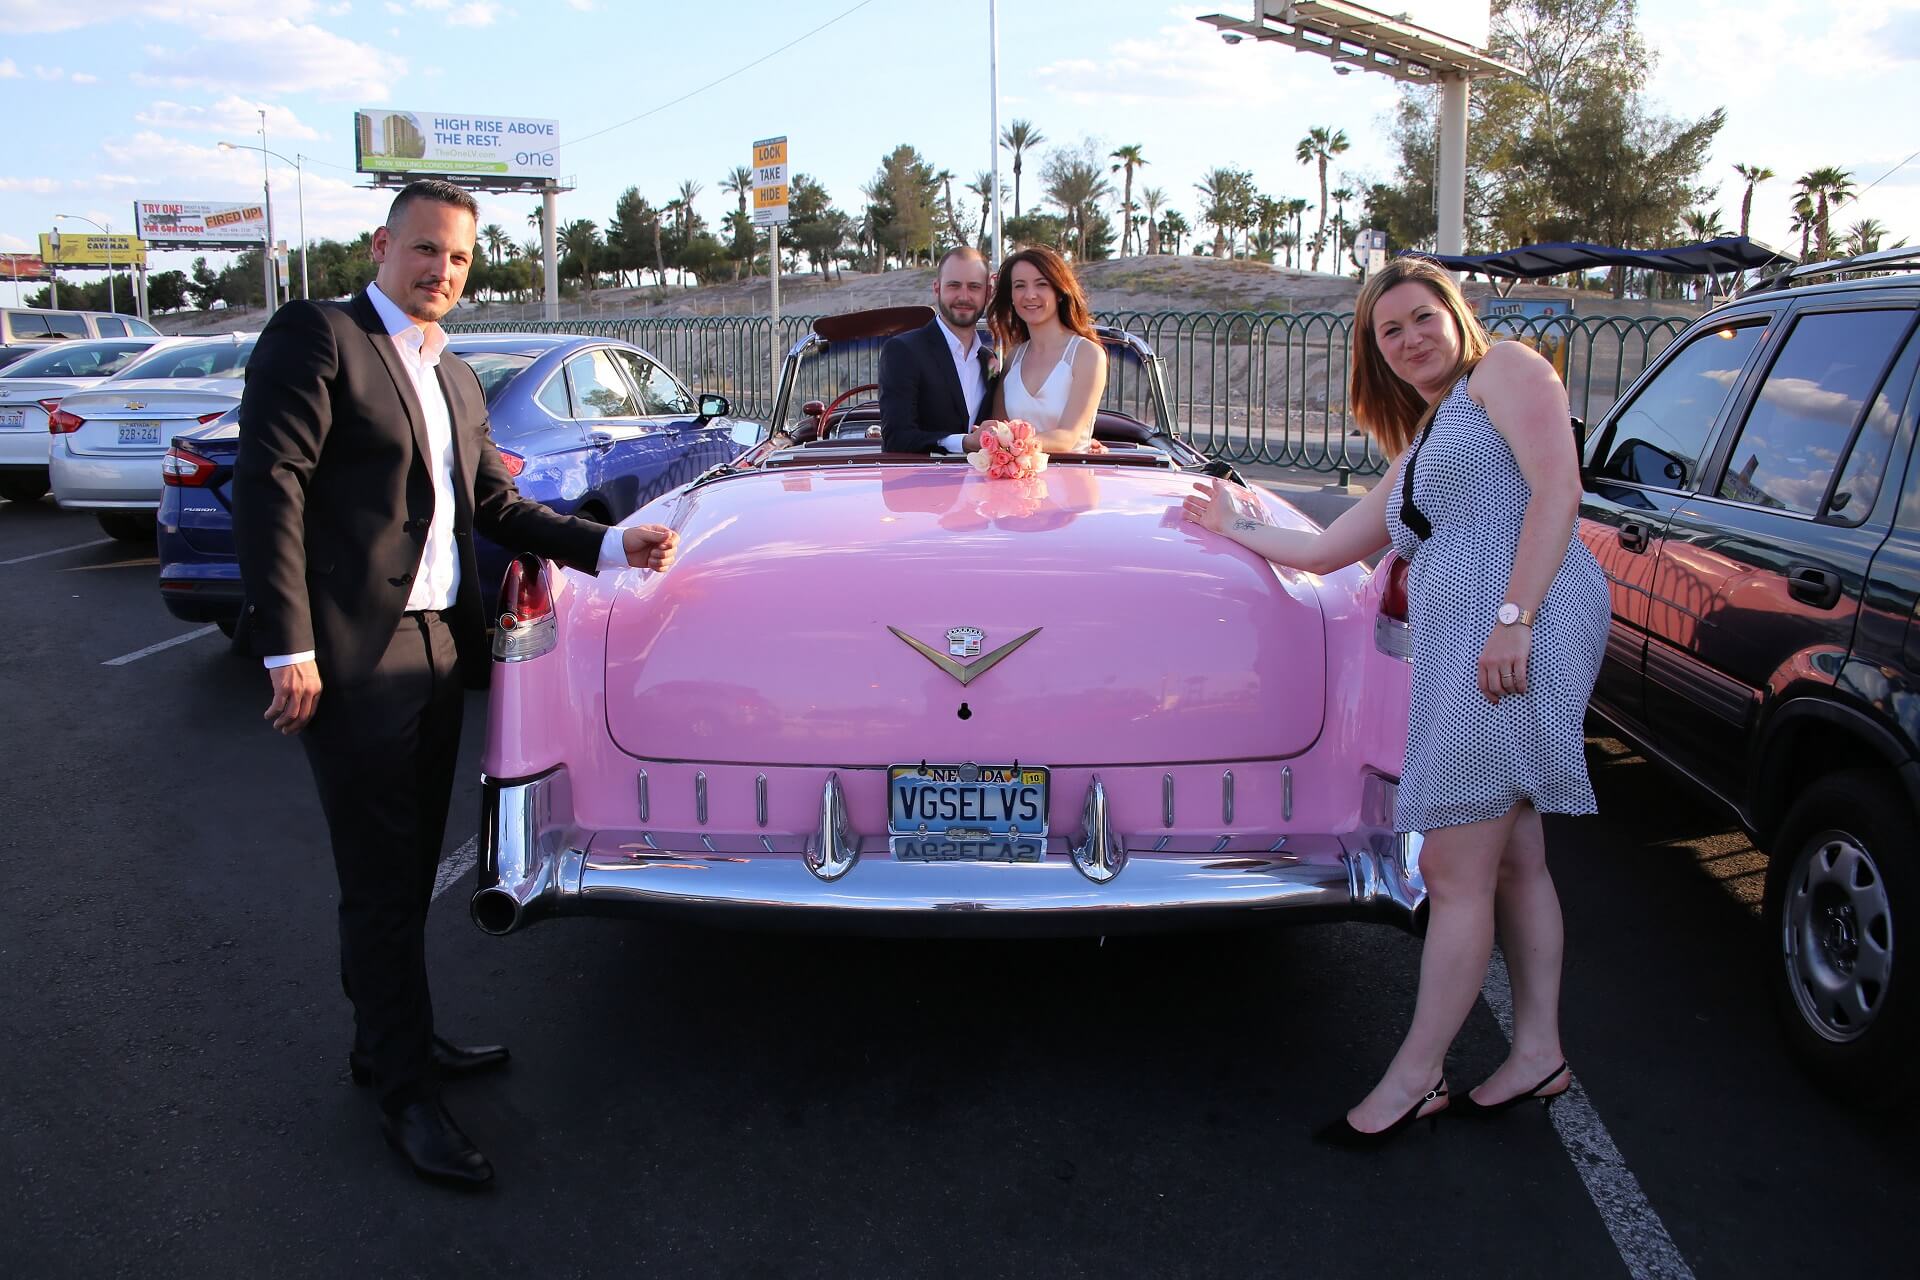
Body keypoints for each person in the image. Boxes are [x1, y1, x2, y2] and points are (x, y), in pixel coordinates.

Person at [232, 178, 678, 1188]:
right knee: (383, 882)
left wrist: (609, 542)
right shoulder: (319, 336)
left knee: (403, 867)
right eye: (428, 249)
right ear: (382, 244)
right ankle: (402, 1091)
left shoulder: (455, 375)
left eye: (462, 258)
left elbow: (497, 503)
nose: (444, 270)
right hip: (355, 654)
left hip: (439, 647)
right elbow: (271, 485)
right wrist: (287, 645)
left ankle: (392, 1041)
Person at [1183, 255, 1608, 1147]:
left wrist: (1514, 618)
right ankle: (1538, 1052)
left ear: (1457, 315)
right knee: (1515, 857)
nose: (1411, 339)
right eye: (1390, 331)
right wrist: (1232, 529)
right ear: (1375, 352)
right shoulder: (1424, 439)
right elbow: (1331, 546)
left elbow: (1557, 491)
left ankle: (1416, 1080)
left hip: (1519, 629)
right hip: (1481, 640)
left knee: (1455, 872)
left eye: (1423, 318)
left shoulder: (1508, 370)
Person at [985, 245, 1108, 453]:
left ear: (1059, 292)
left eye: (1041, 284)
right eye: (1020, 286)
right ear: (1012, 297)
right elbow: (999, 426)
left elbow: (1067, 438)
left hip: (1072, 476)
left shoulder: (1088, 355)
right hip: (1013, 482)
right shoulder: (1013, 358)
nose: (1030, 295)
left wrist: (1009, 442)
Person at [878, 246, 997, 454]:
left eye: (974, 287)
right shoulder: (903, 351)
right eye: (954, 286)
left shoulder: (989, 360)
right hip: (920, 483)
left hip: (982, 484)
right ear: (937, 289)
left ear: (987, 294)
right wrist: (963, 442)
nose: (964, 296)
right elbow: (896, 438)